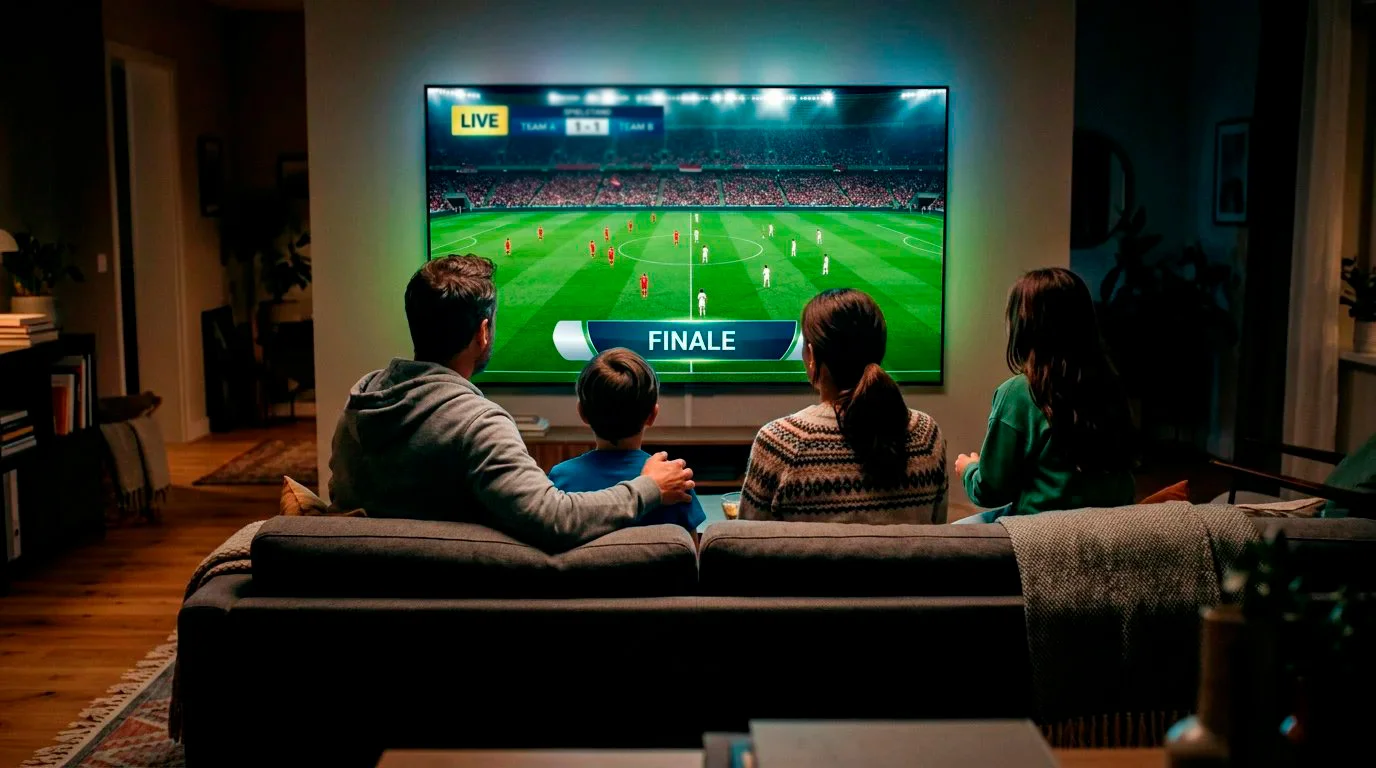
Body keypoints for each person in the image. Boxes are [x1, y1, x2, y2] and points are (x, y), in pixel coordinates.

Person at [328, 255, 695, 552]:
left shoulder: (360, 403)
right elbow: (555, 520)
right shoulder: (478, 425)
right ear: (483, 332)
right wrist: (648, 487)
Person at [739, 288, 947, 523]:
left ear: (811, 356)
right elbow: (936, 535)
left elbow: (747, 542)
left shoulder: (779, 444)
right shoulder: (927, 435)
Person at [953, 267, 1136, 524]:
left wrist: (969, 469)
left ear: (1024, 324)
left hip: (1041, 529)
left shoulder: (1017, 393)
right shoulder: (1111, 385)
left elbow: (990, 490)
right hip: (1109, 523)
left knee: (954, 532)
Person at [549, 349, 706, 539]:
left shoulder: (559, 480)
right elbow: (691, 555)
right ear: (652, 415)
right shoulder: (676, 483)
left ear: (582, 413)